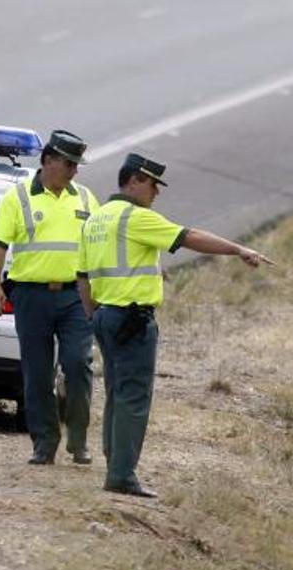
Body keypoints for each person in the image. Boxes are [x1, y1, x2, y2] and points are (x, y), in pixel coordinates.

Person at [78, 153, 274, 498]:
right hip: (131, 319)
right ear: (136, 180)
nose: (157, 193)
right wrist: (237, 248)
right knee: (133, 397)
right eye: (154, 185)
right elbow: (189, 236)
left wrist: (92, 314)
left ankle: (115, 463)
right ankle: (121, 474)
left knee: (115, 394)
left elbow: (81, 276)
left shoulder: (97, 218)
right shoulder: (134, 218)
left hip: (105, 315)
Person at [0, 131, 102, 465]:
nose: (74, 172)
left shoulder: (84, 198)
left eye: (77, 166)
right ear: (48, 160)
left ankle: (78, 439)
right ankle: (44, 442)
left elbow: (101, 242)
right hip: (31, 297)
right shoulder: (17, 197)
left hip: (75, 297)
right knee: (36, 373)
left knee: (78, 365)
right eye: (69, 164)